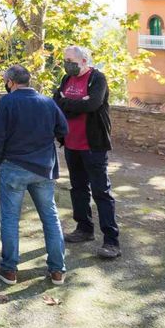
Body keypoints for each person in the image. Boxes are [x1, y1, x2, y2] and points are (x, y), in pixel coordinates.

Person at [0, 64, 68, 286]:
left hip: (13, 166)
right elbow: (63, 130)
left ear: (11, 82)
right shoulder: (47, 102)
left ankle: (9, 270)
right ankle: (57, 270)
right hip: (43, 168)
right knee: (50, 218)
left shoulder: (7, 102)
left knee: (10, 218)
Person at [52, 44, 120, 259]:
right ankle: (84, 228)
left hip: (93, 145)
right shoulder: (66, 79)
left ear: (83, 61)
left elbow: (93, 104)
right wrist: (75, 102)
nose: (66, 64)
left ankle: (111, 241)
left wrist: (67, 103)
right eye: (65, 60)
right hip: (71, 144)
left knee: (101, 192)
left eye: (70, 61)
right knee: (78, 188)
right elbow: (56, 102)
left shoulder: (97, 79)